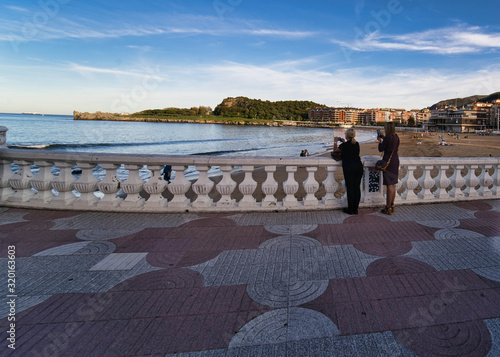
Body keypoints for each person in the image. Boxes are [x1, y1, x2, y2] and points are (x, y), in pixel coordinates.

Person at [333, 128, 364, 215]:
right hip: (358, 167)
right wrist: (344, 142)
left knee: (350, 188)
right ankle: (355, 209)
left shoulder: (344, 146)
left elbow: (335, 150)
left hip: (349, 168)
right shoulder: (356, 144)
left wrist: (335, 141)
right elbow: (350, 149)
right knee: (357, 188)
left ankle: (350, 209)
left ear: (346, 135)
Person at [377, 122, 400, 215]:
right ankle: (392, 205)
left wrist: (380, 141)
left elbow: (381, 149)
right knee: (393, 185)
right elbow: (391, 146)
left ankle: (388, 208)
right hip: (395, 160)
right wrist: (383, 138)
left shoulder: (387, 138)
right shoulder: (396, 137)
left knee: (389, 186)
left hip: (388, 162)